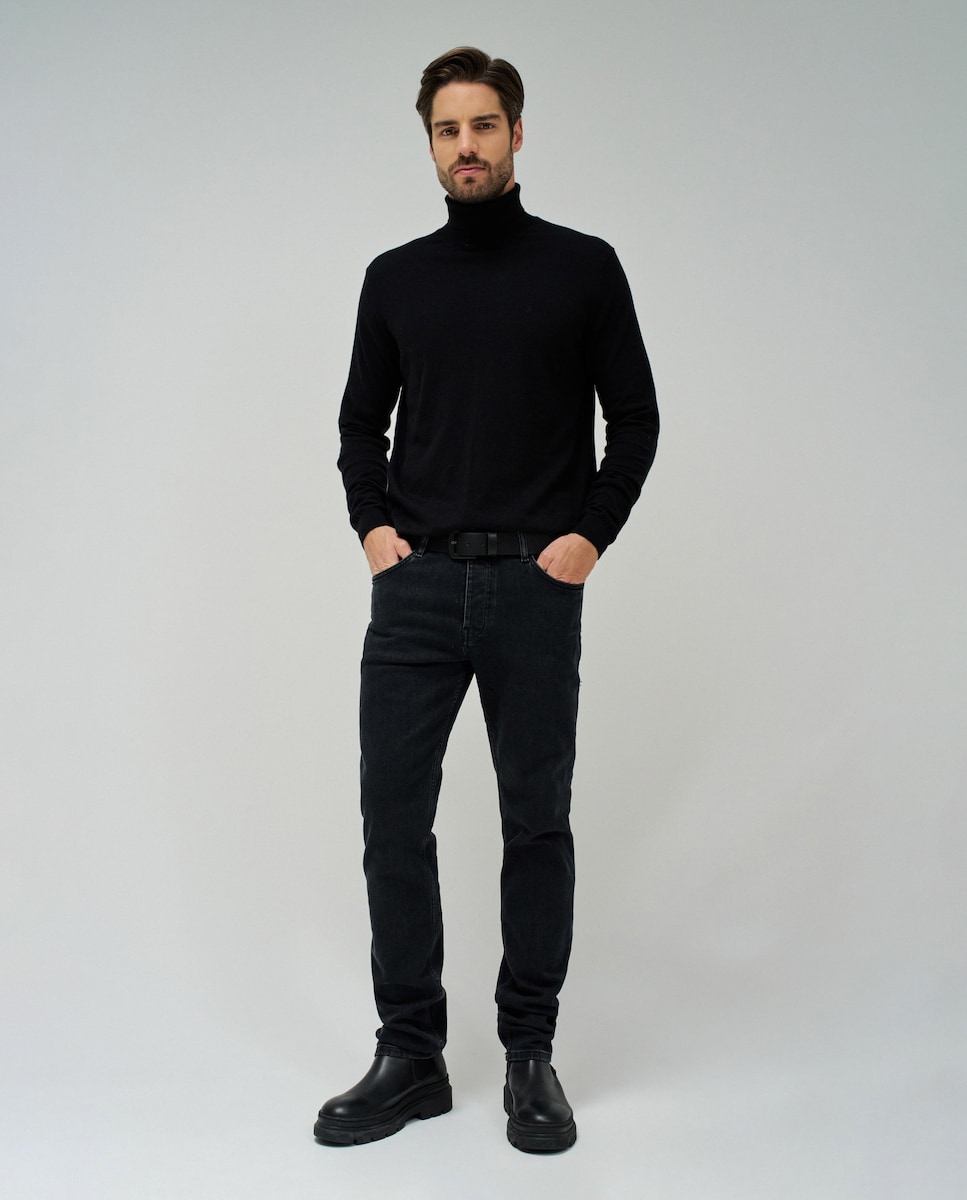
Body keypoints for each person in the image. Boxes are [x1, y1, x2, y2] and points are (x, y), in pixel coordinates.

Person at [314, 46, 658, 1154]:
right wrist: (374, 531)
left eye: (483, 125)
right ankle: (410, 1054)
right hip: (414, 587)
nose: (465, 146)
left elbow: (634, 419)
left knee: (535, 821)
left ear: (516, 133)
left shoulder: (583, 268)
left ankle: (528, 1055)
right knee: (391, 820)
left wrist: (586, 538)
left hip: (532, 587)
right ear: (429, 144)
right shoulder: (394, 278)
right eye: (446, 130)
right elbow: (358, 422)